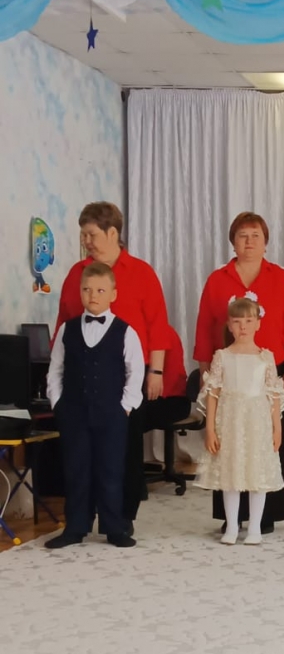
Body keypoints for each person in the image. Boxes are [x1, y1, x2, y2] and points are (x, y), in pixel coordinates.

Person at [55, 202, 171, 532]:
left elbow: (158, 325)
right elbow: (64, 323)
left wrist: (156, 372)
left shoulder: (142, 272)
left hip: (128, 375)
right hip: (81, 376)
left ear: (112, 233)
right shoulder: (76, 274)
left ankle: (121, 518)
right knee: (82, 452)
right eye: (82, 235)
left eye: (91, 234)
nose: (86, 241)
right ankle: (82, 516)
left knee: (126, 449)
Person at [194, 212, 284, 535]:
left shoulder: (281, 278)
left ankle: (265, 516)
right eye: (243, 235)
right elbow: (205, 329)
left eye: (256, 235)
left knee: (266, 444)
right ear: (233, 242)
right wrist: (205, 373)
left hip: (268, 375)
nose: (249, 241)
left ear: (266, 242)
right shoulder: (218, 280)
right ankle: (231, 516)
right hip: (227, 375)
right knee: (227, 445)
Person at [45, 261, 144, 550]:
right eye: (87, 289)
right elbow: (55, 369)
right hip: (74, 412)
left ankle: (114, 528)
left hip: (111, 413)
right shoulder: (67, 330)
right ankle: (75, 527)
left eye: (100, 290)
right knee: (76, 469)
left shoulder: (126, 331)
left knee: (110, 471)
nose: (93, 295)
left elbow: (135, 371)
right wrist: (58, 402)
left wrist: (125, 406)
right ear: (80, 292)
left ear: (113, 294)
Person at [195, 297, 284, 546]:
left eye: (248, 321)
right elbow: (213, 393)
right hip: (230, 421)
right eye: (237, 322)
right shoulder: (222, 356)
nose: (243, 327)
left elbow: (274, 394)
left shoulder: (266, 357)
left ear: (258, 323)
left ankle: (255, 527)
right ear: (229, 325)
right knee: (231, 472)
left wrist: (277, 428)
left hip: (258, 421)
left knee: (257, 472)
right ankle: (232, 525)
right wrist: (210, 428)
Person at [142, 325, 190, 431]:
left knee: (127, 417)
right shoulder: (164, 330)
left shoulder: (159, 334)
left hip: (170, 401)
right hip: (173, 400)